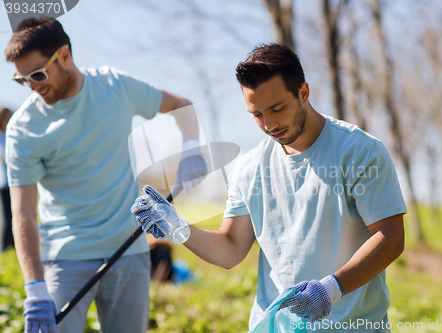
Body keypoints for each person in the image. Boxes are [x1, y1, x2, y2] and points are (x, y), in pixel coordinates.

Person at [133, 43, 407, 333]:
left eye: (277, 108)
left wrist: (331, 289)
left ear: (303, 93)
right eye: (257, 114)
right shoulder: (249, 168)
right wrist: (180, 228)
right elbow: (231, 250)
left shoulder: (360, 151)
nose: (268, 124)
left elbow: (391, 238)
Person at [5, 18, 206, 333]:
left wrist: (192, 147)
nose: (33, 86)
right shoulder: (24, 128)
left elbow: (181, 104)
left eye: (39, 74)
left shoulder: (115, 86)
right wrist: (35, 290)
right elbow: (22, 213)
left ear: (66, 56)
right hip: (65, 258)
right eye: (22, 80)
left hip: (129, 250)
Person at [0, 107, 14, 251]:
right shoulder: (1, 137)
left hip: (15, 183)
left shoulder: (11, 134)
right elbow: (4, 157)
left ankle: (14, 246)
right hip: (5, 184)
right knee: (7, 218)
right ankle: (5, 248)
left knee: (17, 216)